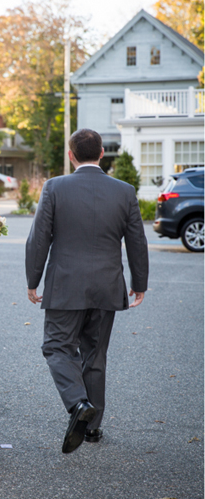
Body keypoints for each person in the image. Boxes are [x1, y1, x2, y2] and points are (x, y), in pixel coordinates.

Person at [25, 129, 149, 454]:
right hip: (107, 285)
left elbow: (39, 238)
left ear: (71, 155)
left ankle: (79, 404)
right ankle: (92, 429)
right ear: (102, 154)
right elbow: (137, 240)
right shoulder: (124, 191)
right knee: (95, 355)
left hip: (65, 284)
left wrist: (32, 280)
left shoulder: (55, 187)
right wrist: (140, 284)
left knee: (56, 347)